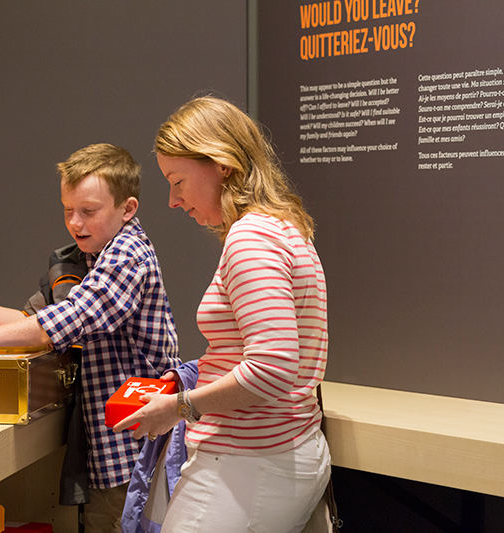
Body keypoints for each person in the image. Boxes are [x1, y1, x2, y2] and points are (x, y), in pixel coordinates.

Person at [0, 143, 181, 533]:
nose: (75, 223)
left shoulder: (126, 255)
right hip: (112, 445)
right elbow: (34, 319)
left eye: (89, 212)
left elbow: (58, 323)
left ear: (127, 209)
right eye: (67, 210)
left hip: (130, 451)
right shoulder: (94, 253)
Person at [113, 96, 330, 533]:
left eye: (178, 181)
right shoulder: (282, 226)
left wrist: (178, 407)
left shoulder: (251, 237)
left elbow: (270, 368)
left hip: (248, 467)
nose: (173, 201)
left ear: (222, 164)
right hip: (272, 458)